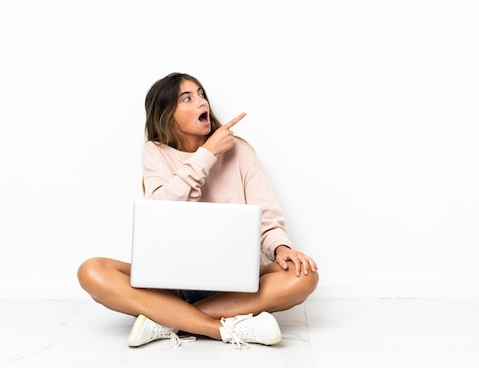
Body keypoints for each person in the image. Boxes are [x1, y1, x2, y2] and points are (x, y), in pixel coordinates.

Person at [77, 72, 319, 348]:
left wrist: (282, 250)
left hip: (238, 282)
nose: (201, 102)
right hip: (173, 282)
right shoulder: (154, 152)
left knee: (305, 277)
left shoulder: (240, 151)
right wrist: (207, 155)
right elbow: (161, 212)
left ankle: (166, 319)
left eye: (201, 94)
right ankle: (221, 328)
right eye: (187, 98)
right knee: (92, 270)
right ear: (167, 115)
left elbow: (267, 218)